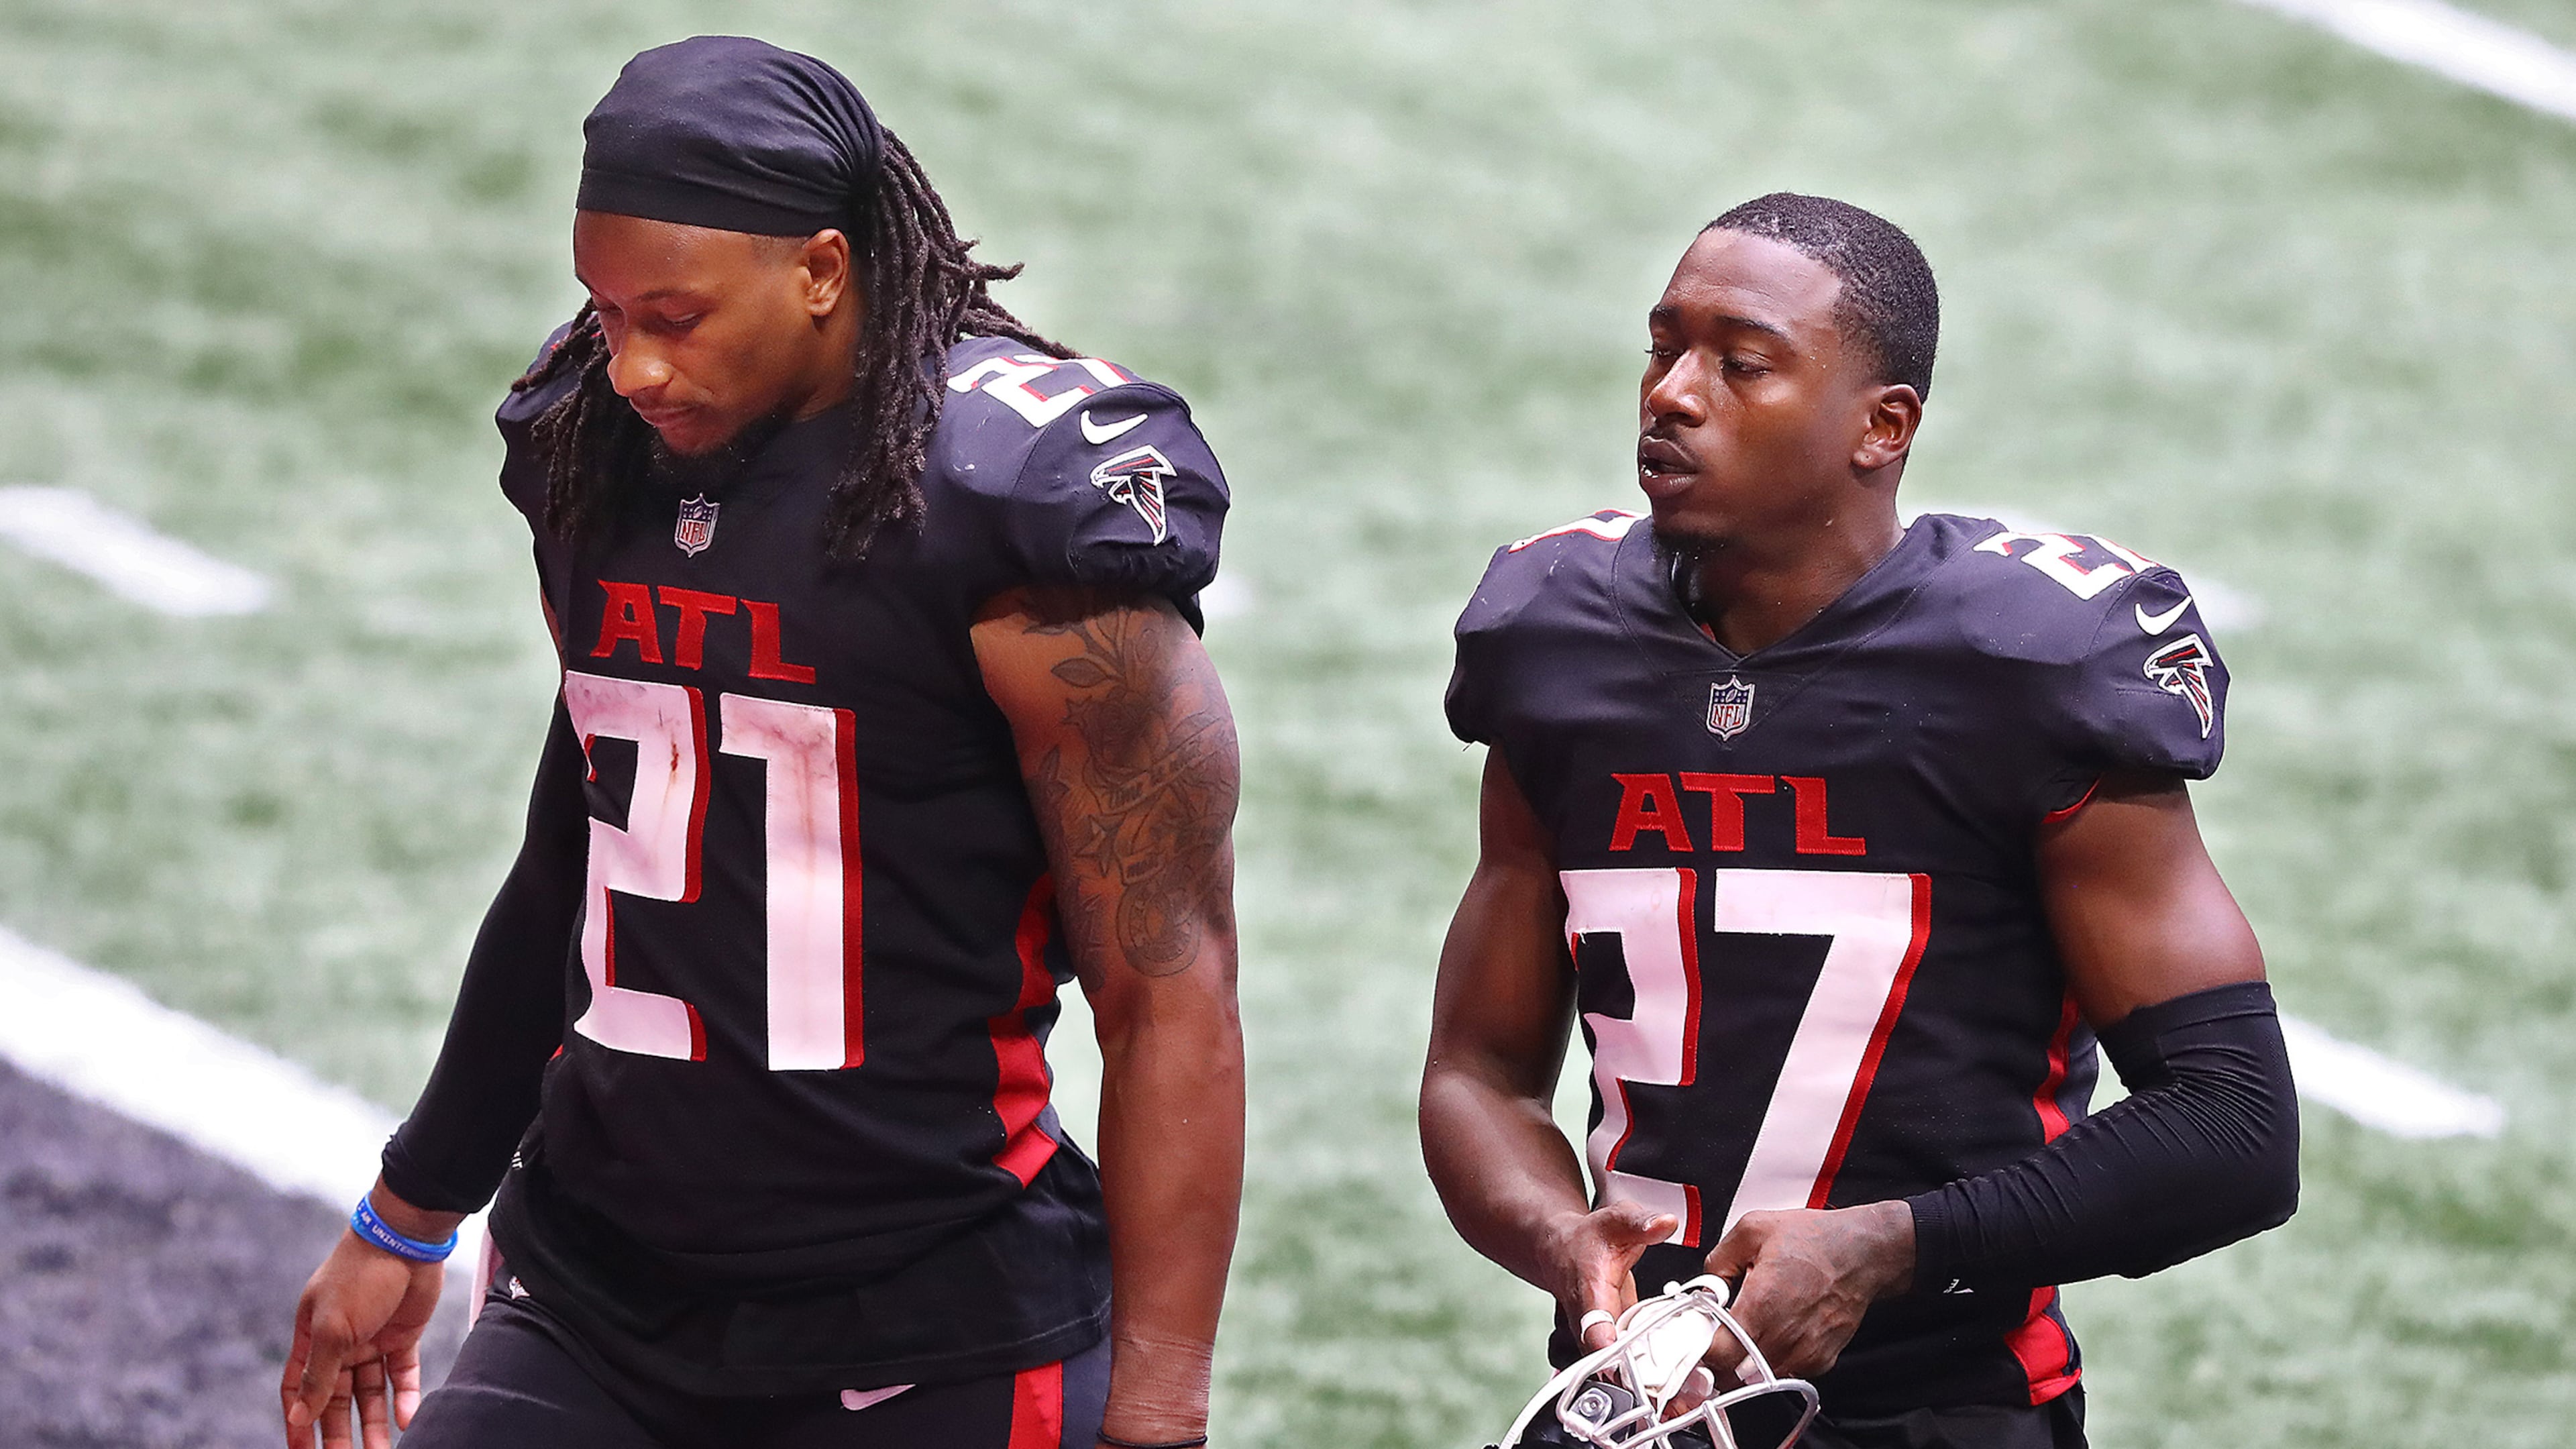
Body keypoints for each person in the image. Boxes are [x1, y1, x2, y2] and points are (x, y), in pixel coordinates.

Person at [280, 36, 1243, 1449]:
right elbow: (576, 857)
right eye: (606, 311)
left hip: (928, 1320)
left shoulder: (1015, 511)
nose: (634, 365)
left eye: (676, 315)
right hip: (596, 1291)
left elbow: (1169, 992)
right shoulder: (591, 447)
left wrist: (1159, 1414)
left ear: (822, 271)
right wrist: (410, 1211)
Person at [1420, 194, 2298, 1448]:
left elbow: (2234, 1125)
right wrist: (1564, 1240)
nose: (1672, 394)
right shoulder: (1556, 639)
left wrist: (1893, 1247)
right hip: (1637, 1407)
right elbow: (1480, 1072)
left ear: (1882, 427)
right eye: (1663, 347)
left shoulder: (2028, 664)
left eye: (1743, 364)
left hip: (1945, 1411)